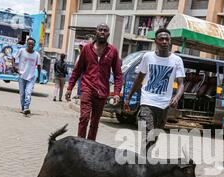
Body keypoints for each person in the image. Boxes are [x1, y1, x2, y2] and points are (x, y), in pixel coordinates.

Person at [124, 28, 185, 156]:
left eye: (167, 39)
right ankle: (144, 164)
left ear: (170, 42)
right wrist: (129, 97)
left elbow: (181, 84)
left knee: (154, 137)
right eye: (161, 39)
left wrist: (177, 97)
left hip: (164, 105)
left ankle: (144, 160)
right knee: (148, 134)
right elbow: (139, 79)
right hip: (147, 102)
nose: (164, 41)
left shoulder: (176, 60)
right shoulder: (148, 57)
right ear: (156, 41)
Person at [65, 24, 123, 141]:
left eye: (105, 30)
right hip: (87, 87)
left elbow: (118, 74)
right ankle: (80, 144)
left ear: (108, 34)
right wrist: (70, 87)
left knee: (95, 121)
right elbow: (77, 70)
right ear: (96, 32)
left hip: (102, 91)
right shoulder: (87, 49)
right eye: (100, 30)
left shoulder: (113, 51)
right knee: (84, 117)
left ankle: (90, 144)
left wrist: (116, 92)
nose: (102, 32)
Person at [12, 38, 41, 116]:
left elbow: (39, 65)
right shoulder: (22, 51)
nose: (31, 45)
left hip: (31, 77)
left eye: (32, 44)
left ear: (34, 45)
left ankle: (26, 108)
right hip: (22, 75)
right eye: (29, 44)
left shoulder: (37, 55)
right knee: (22, 94)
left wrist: (38, 76)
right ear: (27, 44)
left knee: (28, 92)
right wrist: (14, 67)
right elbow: (14, 57)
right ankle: (23, 108)